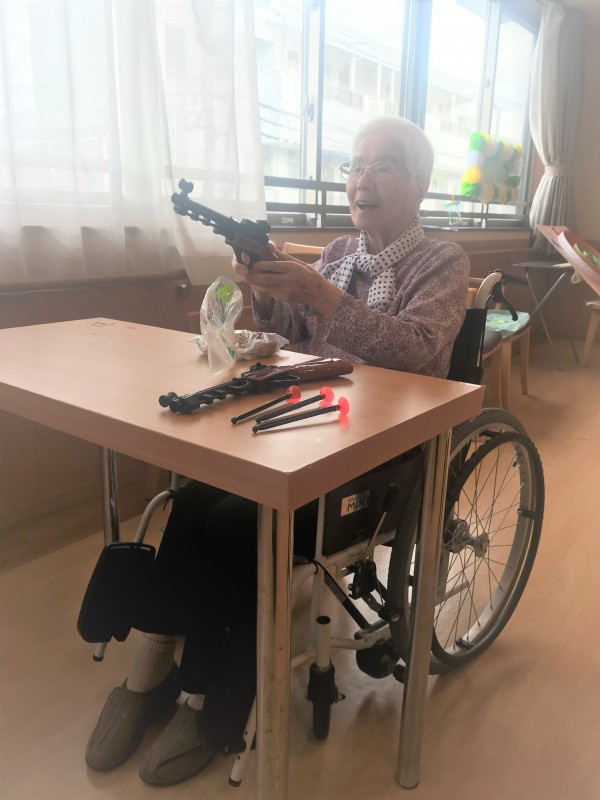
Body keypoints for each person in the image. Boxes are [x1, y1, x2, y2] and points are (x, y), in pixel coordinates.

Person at [84, 117, 469, 787]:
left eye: (382, 165)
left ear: (422, 183)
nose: (361, 179)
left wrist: (320, 293)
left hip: (376, 451)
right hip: (302, 420)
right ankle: (149, 674)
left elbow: (415, 352)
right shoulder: (340, 250)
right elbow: (288, 330)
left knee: (241, 521)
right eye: (354, 165)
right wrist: (263, 288)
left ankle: (207, 697)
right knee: (195, 499)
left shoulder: (442, 262)